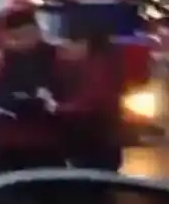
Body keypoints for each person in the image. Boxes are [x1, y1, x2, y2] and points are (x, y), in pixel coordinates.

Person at [0, 4, 65, 174]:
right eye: (15, 37)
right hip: (11, 147)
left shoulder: (57, 59)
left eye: (24, 35)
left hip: (45, 146)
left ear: (36, 32)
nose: (19, 42)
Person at [52, 20, 122, 172]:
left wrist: (58, 108)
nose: (66, 48)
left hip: (96, 140)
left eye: (71, 43)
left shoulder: (98, 68)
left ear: (85, 43)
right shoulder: (86, 64)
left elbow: (93, 102)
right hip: (95, 140)